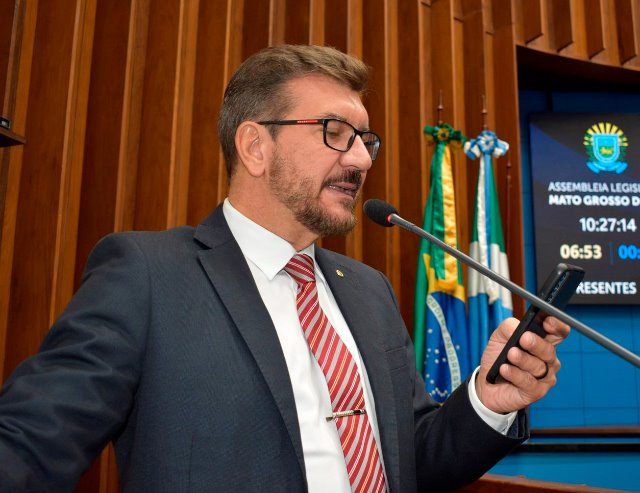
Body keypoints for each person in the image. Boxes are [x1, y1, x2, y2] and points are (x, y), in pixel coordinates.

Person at [0, 44, 569, 492]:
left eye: (365, 141)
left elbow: (410, 458)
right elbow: (33, 440)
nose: (362, 159)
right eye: (335, 134)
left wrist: (488, 401)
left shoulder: (368, 291)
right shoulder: (148, 274)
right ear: (255, 147)